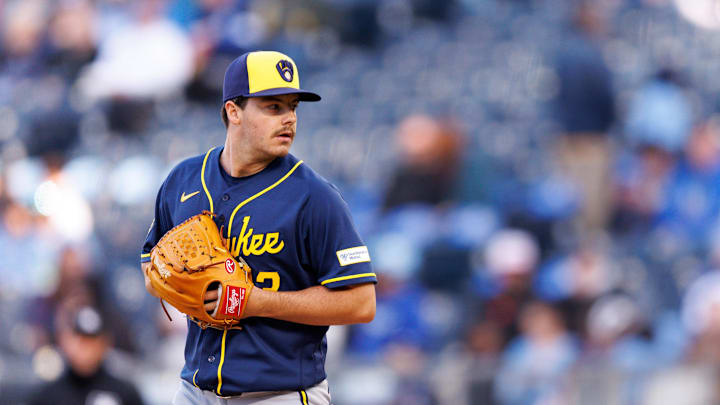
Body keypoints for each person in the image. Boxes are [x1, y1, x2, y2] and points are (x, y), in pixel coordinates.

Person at [140, 50, 377, 404]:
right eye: (273, 107)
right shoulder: (183, 180)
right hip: (194, 390)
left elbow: (361, 303)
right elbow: (150, 265)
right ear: (233, 111)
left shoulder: (314, 196)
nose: (289, 119)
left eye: (293, 106)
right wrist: (182, 290)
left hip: (279, 394)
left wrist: (254, 301)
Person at [28, 305, 145, 405]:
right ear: (65, 342)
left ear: (105, 344)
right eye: (80, 341)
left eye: (92, 341)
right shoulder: (48, 396)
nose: (86, 349)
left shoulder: (125, 393)